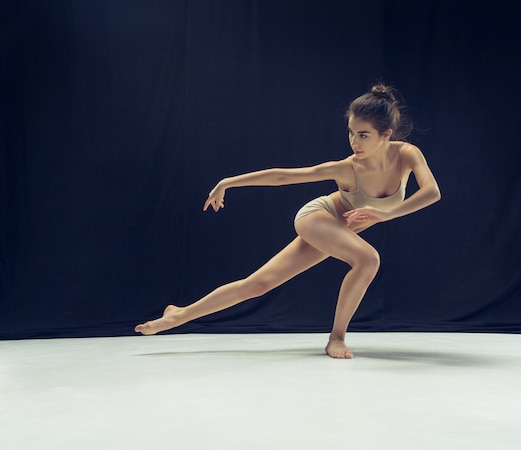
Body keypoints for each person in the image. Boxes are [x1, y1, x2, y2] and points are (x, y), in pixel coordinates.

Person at [135, 83, 441, 359]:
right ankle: (337, 338)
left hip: (339, 231)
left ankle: (177, 315)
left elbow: (431, 193)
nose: (354, 142)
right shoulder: (347, 168)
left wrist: (385, 214)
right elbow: (284, 176)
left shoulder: (407, 155)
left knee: (258, 285)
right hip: (318, 218)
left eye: (363, 135)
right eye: (350, 132)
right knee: (368, 259)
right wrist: (229, 181)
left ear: (386, 135)